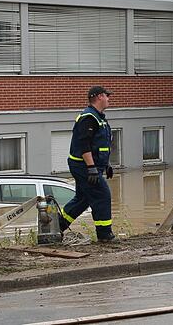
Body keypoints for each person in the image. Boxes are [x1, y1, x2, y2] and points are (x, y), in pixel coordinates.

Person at [59, 86, 116, 242]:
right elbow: (84, 145)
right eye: (106, 95)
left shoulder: (99, 117)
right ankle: (105, 235)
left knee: (83, 199)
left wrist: (107, 164)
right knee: (102, 196)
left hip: (91, 166)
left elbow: (100, 145)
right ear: (98, 97)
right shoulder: (89, 118)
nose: (109, 98)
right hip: (83, 166)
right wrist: (91, 168)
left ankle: (56, 227)